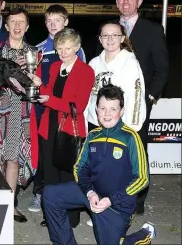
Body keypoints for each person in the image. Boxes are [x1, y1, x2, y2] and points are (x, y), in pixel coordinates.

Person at [43, 84, 156, 245]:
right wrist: (89, 192)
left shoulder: (130, 138)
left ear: (121, 111)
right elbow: (79, 168)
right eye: (102, 108)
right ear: (96, 109)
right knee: (51, 194)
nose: (107, 114)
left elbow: (143, 179)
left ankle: (144, 234)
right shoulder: (93, 135)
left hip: (116, 205)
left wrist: (110, 200)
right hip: (93, 195)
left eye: (113, 109)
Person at [0, 8, 40, 223]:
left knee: (13, 159)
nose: (17, 26)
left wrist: (38, 83)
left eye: (21, 22)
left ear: (27, 26)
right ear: (6, 25)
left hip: (21, 113)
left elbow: (37, 86)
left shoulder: (34, 53)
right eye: (13, 22)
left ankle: (10, 205)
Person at [112, 0, 169, 214]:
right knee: (114, 150)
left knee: (137, 150)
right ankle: (114, 193)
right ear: (116, 3)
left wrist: (150, 97)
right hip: (110, 105)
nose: (125, 1)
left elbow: (162, 69)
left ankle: (138, 198)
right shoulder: (108, 29)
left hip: (138, 105)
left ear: (139, 3)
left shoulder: (153, 30)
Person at [28, 4, 87, 214]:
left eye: (57, 20)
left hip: (67, 116)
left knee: (65, 161)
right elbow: (41, 82)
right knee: (44, 160)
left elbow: (79, 96)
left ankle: (68, 204)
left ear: (66, 22)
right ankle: (40, 194)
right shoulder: (38, 49)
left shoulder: (78, 52)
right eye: (49, 21)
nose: (53, 25)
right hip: (43, 112)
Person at [34, 28, 95, 228]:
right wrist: (38, 84)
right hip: (49, 126)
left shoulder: (86, 71)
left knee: (68, 175)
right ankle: (51, 215)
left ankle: (71, 218)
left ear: (77, 48)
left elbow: (77, 106)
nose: (63, 52)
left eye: (68, 48)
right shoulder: (54, 67)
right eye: (60, 48)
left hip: (70, 128)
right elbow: (48, 94)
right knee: (50, 174)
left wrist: (50, 100)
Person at [87, 20, 146, 132]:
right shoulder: (93, 64)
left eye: (115, 35)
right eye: (105, 35)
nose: (110, 39)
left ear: (122, 38)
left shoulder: (129, 62)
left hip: (120, 127)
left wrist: (131, 128)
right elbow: (88, 96)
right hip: (95, 125)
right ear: (100, 39)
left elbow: (135, 97)